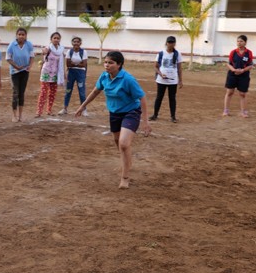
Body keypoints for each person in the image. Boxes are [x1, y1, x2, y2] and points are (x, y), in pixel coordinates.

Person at [75, 51, 151, 189]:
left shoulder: (128, 79)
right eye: (106, 62)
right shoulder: (104, 76)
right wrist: (82, 106)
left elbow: (142, 98)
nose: (107, 65)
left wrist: (145, 121)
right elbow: (96, 91)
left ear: (119, 64)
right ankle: (127, 163)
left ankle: (125, 177)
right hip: (115, 113)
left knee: (123, 143)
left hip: (131, 112)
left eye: (111, 63)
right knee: (118, 142)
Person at [148, 36, 183, 123]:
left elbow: (179, 68)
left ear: (175, 43)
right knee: (159, 97)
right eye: (169, 42)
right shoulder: (161, 54)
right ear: (166, 43)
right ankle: (155, 115)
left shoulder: (177, 54)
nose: (171, 44)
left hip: (173, 80)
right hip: (161, 80)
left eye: (172, 42)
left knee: (172, 98)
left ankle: (173, 116)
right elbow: (156, 67)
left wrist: (180, 80)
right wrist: (160, 74)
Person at [6, 27, 35, 122]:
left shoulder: (29, 44)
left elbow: (32, 57)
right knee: (15, 93)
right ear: (16, 35)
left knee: (22, 93)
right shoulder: (12, 45)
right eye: (19, 34)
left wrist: (29, 66)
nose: (21, 36)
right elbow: (8, 58)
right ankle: (14, 115)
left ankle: (20, 115)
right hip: (15, 72)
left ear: (26, 36)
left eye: (23, 34)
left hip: (25, 72)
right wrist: (16, 66)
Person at [35, 31, 65, 117]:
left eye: (58, 38)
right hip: (46, 72)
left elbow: (62, 62)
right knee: (43, 92)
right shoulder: (48, 48)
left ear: (60, 40)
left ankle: (49, 110)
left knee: (52, 93)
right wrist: (43, 51)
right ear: (51, 39)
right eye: (54, 38)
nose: (56, 39)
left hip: (56, 73)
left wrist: (63, 73)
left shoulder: (61, 50)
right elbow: (44, 52)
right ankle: (39, 111)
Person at [223, 35, 254, 117]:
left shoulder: (249, 53)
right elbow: (228, 64)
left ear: (245, 42)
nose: (239, 43)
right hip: (232, 75)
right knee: (229, 92)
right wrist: (233, 70)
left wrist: (243, 70)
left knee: (242, 94)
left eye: (241, 41)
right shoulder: (233, 52)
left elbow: (250, 65)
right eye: (238, 41)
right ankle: (226, 110)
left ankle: (243, 111)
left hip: (244, 75)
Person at [59, 36, 89, 116]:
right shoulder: (69, 51)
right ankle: (65, 108)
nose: (76, 43)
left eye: (77, 42)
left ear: (80, 43)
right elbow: (68, 64)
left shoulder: (84, 52)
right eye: (74, 42)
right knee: (68, 91)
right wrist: (78, 64)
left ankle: (84, 109)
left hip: (80, 73)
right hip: (71, 73)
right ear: (72, 43)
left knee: (82, 92)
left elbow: (84, 64)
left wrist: (74, 63)